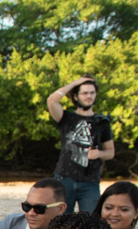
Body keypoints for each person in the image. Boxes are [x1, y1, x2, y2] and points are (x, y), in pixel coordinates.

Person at [48, 76, 114, 214]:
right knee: (61, 221)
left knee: (91, 221)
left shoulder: (102, 122)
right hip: (64, 178)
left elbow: (110, 152)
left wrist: (99, 154)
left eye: (92, 92)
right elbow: (52, 100)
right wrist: (75, 83)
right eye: (84, 93)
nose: (89, 96)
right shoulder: (66, 117)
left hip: (90, 181)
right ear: (76, 96)